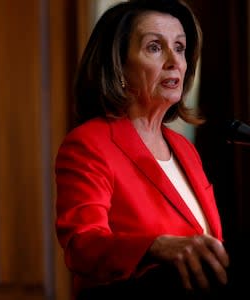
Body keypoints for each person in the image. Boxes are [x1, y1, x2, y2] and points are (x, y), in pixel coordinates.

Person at [54, 0, 231, 299]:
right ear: (118, 65)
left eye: (179, 47)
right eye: (154, 47)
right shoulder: (89, 144)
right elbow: (82, 245)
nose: (174, 61)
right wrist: (155, 247)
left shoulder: (186, 150)